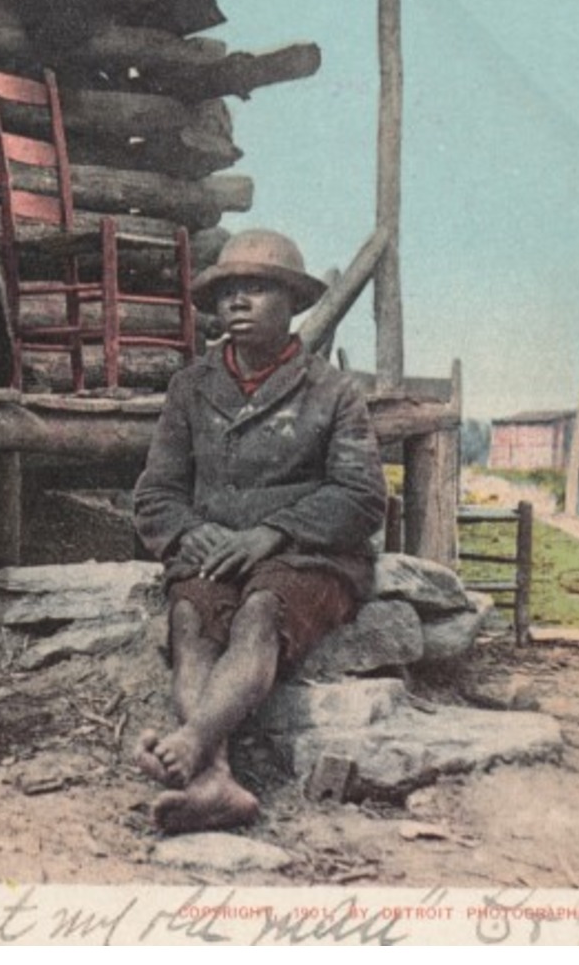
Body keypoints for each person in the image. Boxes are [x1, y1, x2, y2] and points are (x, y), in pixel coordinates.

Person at [131, 229, 387, 833]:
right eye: (227, 293)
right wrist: (186, 532)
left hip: (306, 557)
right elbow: (154, 492)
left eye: (258, 289)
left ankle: (192, 743)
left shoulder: (333, 392)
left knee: (259, 611)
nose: (237, 303)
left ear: (295, 303)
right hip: (214, 552)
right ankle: (215, 782)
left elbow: (362, 496)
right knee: (191, 619)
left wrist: (274, 533)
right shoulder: (190, 387)